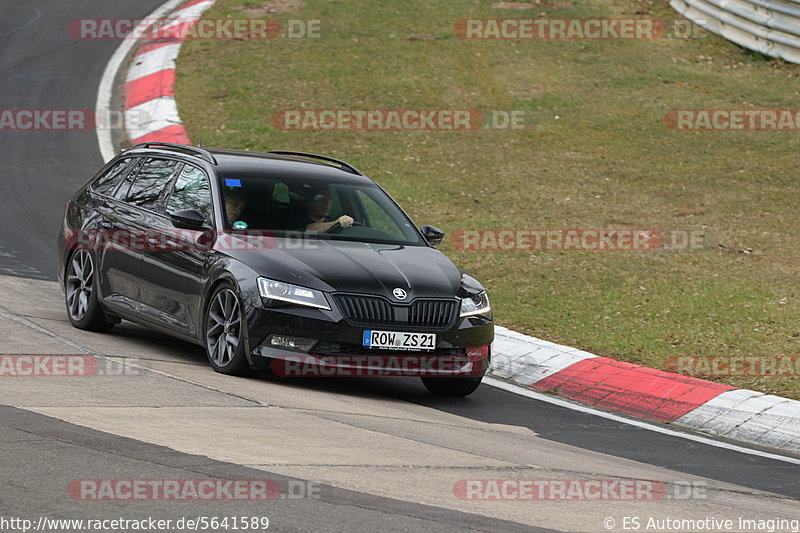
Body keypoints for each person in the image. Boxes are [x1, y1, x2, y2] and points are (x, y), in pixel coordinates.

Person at [287, 186, 353, 232]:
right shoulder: (294, 220)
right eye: (321, 198)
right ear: (309, 202)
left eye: (329, 199)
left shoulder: (330, 221)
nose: (327, 203)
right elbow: (309, 230)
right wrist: (336, 223)